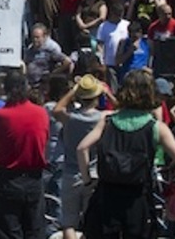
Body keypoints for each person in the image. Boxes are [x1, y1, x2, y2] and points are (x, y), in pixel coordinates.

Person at [77, 70, 175, 239]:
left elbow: (82, 148)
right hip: (137, 198)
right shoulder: (155, 127)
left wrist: (87, 181)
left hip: (107, 195)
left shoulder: (108, 120)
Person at [0, 71, 49, 239]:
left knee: (6, 230)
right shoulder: (41, 113)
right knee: (34, 228)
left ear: (5, 89)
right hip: (34, 178)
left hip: (7, 178)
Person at [51, 75, 109, 239]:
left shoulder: (70, 117)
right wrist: (108, 93)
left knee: (69, 222)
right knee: (92, 221)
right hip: (94, 172)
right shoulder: (103, 117)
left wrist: (74, 91)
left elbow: (56, 109)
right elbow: (122, 109)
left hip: (70, 172)